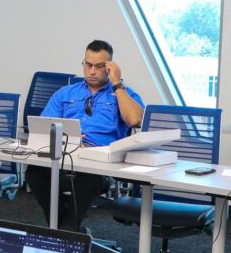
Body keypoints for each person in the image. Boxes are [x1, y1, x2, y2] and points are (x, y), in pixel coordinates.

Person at [26, 40, 144, 230]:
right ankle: (71, 231)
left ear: (110, 67)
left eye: (99, 66)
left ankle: (65, 232)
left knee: (87, 178)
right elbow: (44, 126)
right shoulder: (65, 93)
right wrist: (67, 138)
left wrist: (117, 83)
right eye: (88, 64)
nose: (92, 71)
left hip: (99, 162)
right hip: (65, 155)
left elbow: (135, 120)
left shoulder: (124, 94)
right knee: (35, 172)